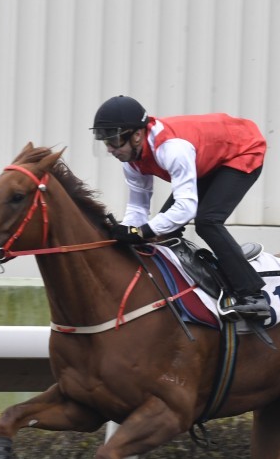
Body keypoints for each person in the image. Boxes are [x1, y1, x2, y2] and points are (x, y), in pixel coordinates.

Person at [90, 95, 270, 321]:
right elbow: (138, 207)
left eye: (114, 140)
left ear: (137, 135)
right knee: (163, 229)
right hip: (207, 158)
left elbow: (186, 209)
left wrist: (140, 232)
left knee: (207, 221)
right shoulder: (131, 159)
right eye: (105, 142)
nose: (110, 149)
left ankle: (253, 297)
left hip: (243, 149)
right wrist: (127, 231)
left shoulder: (171, 149)